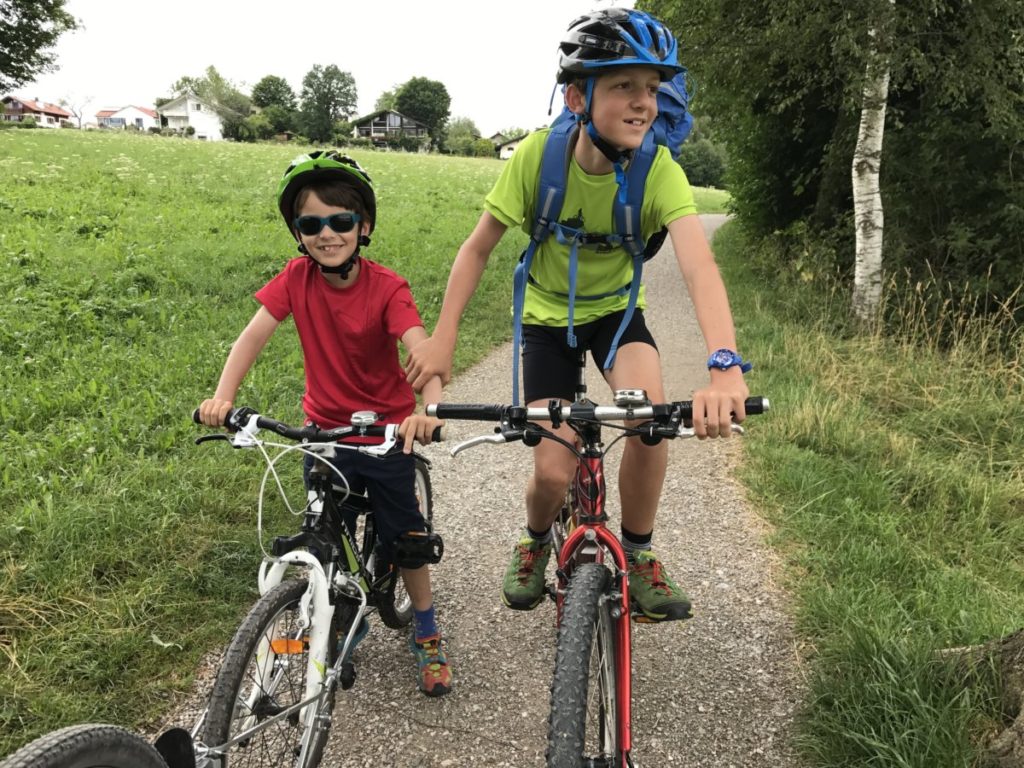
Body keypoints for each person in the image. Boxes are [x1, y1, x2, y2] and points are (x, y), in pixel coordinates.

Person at [405, 8, 751, 623]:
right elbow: (477, 247)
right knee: (553, 469)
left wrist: (724, 366)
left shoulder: (659, 170)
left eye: (652, 87)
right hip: (546, 324)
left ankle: (640, 553)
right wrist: (443, 339)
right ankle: (536, 539)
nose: (644, 101)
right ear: (576, 95)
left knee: (650, 419)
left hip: (617, 318)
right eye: (624, 85)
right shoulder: (539, 157)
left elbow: (700, 268)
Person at [198, 151, 451, 696]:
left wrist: (426, 407)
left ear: (363, 227)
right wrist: (222, 398)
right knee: (322, 535)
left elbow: (421, 348)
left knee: (405, 537)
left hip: (384, 434)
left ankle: (426, 631)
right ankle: (331, 618)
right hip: (324, 433)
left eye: (340, 221)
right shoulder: (295, 278)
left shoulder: (387, 287)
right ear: (298, 232)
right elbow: (251, 337)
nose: (326, 234)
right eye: (311, 224)